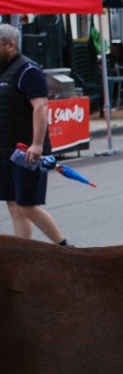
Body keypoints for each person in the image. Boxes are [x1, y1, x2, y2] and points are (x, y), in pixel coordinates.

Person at [0, 24, 70, 245]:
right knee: (13, 203)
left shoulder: (28, 70)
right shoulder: (3, 69)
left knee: (27, 205)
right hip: (6, 149)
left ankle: (64, 247)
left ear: (10, 45)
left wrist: (37, 144)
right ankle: (24, 254)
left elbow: (40, 107)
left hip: (27, 151)